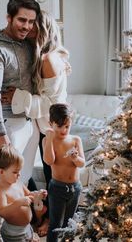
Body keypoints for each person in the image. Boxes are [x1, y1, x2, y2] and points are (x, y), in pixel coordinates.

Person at [1, 10, 71, 236]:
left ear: (44, 30)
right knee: (35, 174)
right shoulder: (45, 56)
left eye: (34, 26)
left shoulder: (49, 60)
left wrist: (17, 97)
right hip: (43, 128)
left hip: (53, 129)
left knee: (55, 181)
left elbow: (52, 105)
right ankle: (42, 215)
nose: (29, 30)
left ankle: (54, 224)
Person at [0, 0, 41, 241]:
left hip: (30, 122)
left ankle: (21, 232)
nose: (26, 26)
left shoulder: (28, 43)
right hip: (9, 127)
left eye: (30, 21)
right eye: (21, 20)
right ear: (9, 17)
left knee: (21, 183)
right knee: (4, 188)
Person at [43, 103, 85, 242]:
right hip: (57, 188)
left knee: (70, 223)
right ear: (51, 124)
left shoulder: (75, 140)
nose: (63, 130)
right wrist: (49, 139)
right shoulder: (48, 140)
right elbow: (49, 161)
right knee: (55, 223)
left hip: (75, 187)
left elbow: (82, 163)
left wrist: (75, 158)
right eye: (59, 126)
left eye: (67, 126)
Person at [0, 145, 47, 242]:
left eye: (19, 170)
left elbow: (29, 194)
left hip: (27, 227)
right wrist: (18, 203)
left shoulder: (18, 182)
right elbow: (2, 211)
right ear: (1, 172)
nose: (19, 174)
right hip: (13, 233)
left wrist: (37, 195)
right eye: (15, 172)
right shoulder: (0, 190)